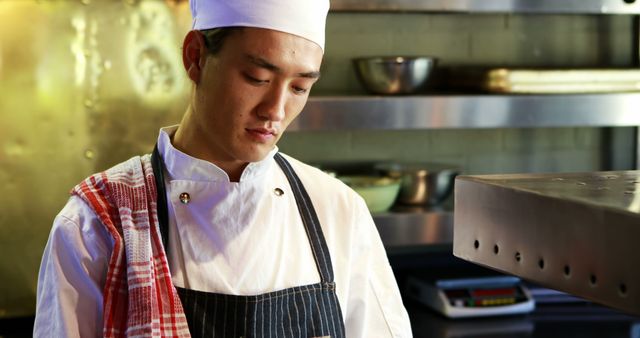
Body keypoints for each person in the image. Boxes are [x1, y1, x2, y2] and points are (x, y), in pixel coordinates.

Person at [34, 0, 413, 337]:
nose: (276, 111)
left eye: (299, 87)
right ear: (195, 57)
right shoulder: (96, 225)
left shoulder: (338, 211)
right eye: (257, 78)